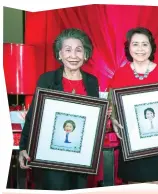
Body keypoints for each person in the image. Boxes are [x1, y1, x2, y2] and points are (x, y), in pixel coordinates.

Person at [18, 28, 99, 190]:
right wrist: (23, 148)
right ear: (60, 54)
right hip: (51, 157)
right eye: (68, 50)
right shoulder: (47, 79)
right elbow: (33, 115)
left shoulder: (92, 82)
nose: (73, 56)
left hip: (80, 158)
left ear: (85, 54)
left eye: (79, 50)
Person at [108, 27, 158, 184]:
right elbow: (112, 102)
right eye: (135, 44)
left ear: (151, 47)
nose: (140, 49)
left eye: (145, 44)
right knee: (132, 184)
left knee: (155, 184)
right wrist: (114, 119)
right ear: (129, 47)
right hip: (130, 141)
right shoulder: (120, 74)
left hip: (157, 141)